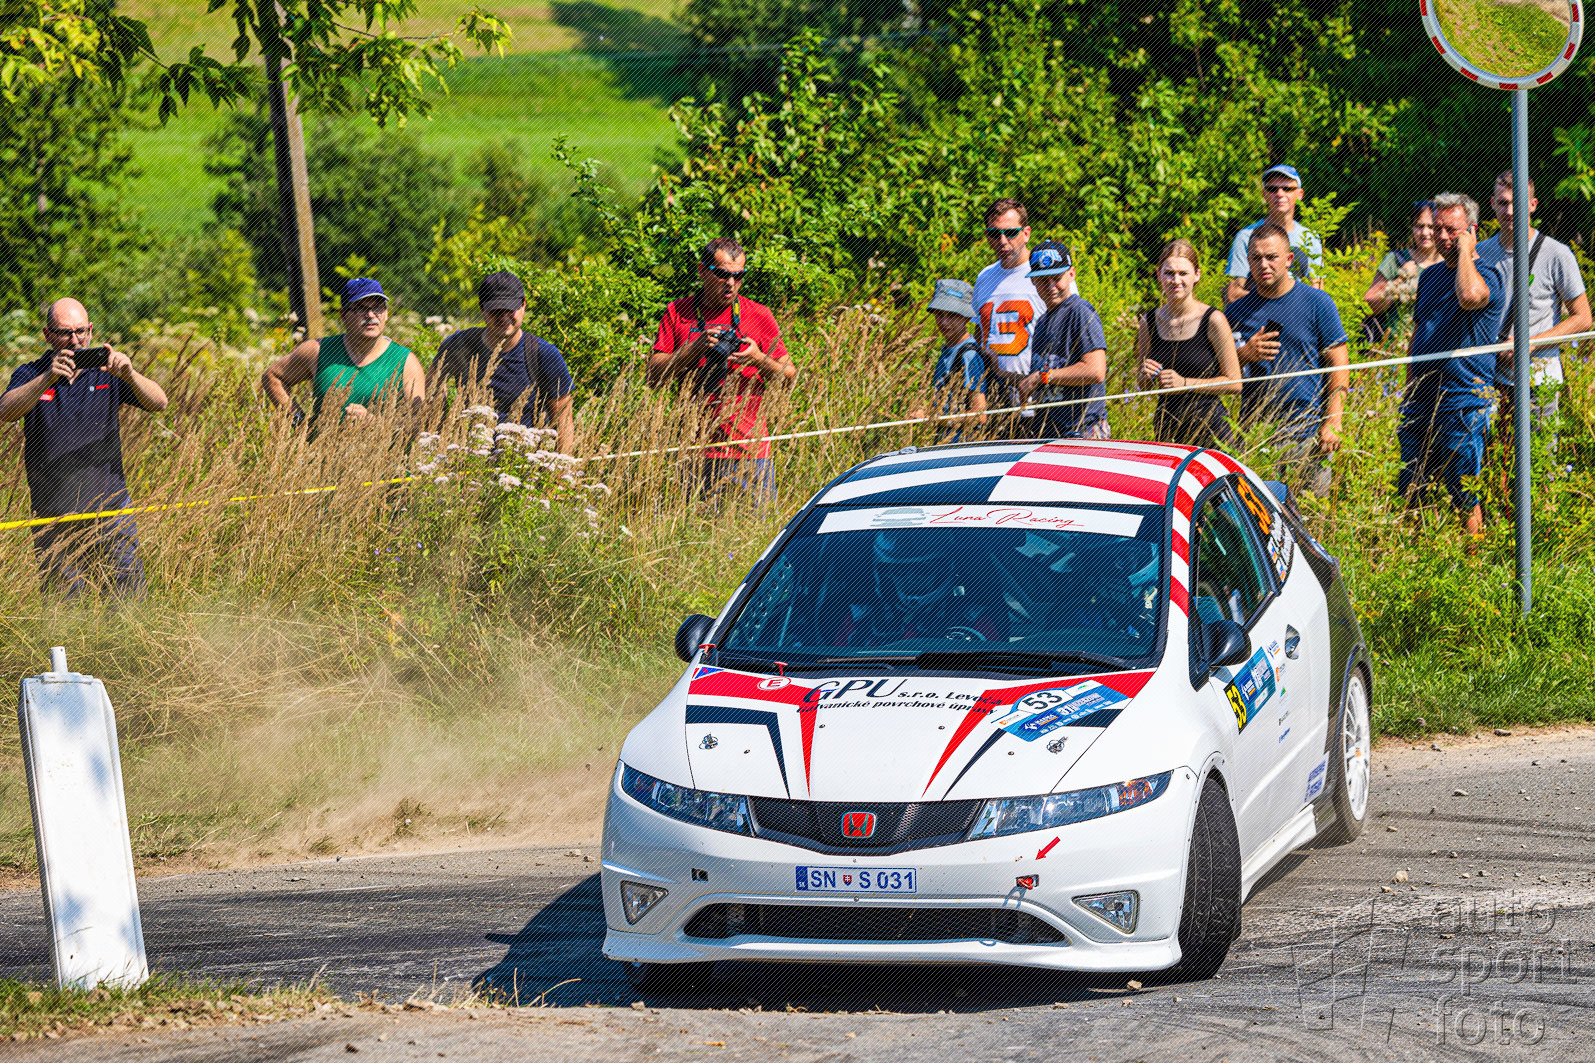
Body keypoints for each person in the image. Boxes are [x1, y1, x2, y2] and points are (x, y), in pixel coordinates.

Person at [0, 298, 169, 597]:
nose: (75, 340)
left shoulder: (107, 372)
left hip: (111, 511)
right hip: (54, 515)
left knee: (127, 602)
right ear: (48, 335)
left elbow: (160, 402)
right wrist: (47, 378)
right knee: (65, 607)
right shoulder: (32, 373)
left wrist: (130, 374)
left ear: (90, 330)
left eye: (81, 331)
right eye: (65, 333)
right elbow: (5, 411)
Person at [648, 237, 797, 499]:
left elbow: (789, 377)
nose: (731, 283)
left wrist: (758, 359)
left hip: (751, 452)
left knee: (755, 525)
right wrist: (693, 349)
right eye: (722, 274)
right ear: (702, 270)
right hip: (695, 451)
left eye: (739, 276)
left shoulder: (759, 314)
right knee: (695, 524)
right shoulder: (677, 312)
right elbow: (653, 377)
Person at [1399, 192, 1506, 539]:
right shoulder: (1429, 276)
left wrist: (1465, 252)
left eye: (1452, 230)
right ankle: (1417, 555)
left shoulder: (1488, 275)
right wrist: (1409, 389)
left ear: (1471, 230)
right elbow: (1419, 332)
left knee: (1463, 491)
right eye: (1438, 228)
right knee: (1413, 486)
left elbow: (1470, 297)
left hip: (1463, 400)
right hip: (1421, 400)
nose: (1442, 237)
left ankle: (1472, 563)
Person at [1224, 223, 1350, 495]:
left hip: (1307, 433)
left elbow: (1340, 364)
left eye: (1272, 257)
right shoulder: (1235, 312)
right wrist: (1245, 354)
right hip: (1255, 435)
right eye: (1256, 258)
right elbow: (1218, 370)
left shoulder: (1317, 302)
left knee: (1309, 512)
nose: (1264, 265)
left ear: (1289, 259)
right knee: (1258, 515)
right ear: (1248, 261)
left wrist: (1333, 421)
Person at [1476, 170, 1592, 436]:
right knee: (1493, 459)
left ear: (1532, 204)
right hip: (1488, 380)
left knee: (1539, 458)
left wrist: (1529, 344)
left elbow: (1583, 318)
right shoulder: (1480, 253)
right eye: (1502, 203)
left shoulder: (1557, 253)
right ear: (1492, 204)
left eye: (1517, 203)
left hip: (1538, 382)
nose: (1509, 211)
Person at [431, 271, 574, 453]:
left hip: (523, 464)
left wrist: (560, 469)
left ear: (523, 305)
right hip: (467, 463)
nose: (504, 317)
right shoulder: (458, 346)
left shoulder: (544, 355)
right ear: (482, 308)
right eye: (496, 311)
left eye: (510, 309)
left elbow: (563, 423)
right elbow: (431, 395)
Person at [262, 278, 425, 427]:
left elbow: (417, 423)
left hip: (379, 450)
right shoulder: (319, 351)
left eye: (378, 307)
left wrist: (375, 424)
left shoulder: (405, 362)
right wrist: (299, 423)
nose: (370, 315)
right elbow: (272, 376)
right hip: (322, 449)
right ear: (343, 315)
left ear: (386, 313)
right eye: (360, 308)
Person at [1136, 240, 1243, 449]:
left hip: (1210, 429)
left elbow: (1235, 383)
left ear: (1196, 275)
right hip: (1167, 427)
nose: (1176, 280)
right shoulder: (1148, 322)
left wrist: (1185, 383)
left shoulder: (1214, 320)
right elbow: (1143, 385)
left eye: (1183, 273)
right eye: (1169, 273)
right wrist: (1146, 375)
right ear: (1159, 275)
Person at [832, 529, 1005, 646]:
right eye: (899, 571)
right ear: (886, 574)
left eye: (922, 569)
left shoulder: (972, 618)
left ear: (943, 570)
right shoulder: (860, 618)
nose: (910, 578)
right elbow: (836, 667)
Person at [1016, 241, 1109, 440]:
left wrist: (1041, 377)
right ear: (1033, 281)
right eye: (1043, 280)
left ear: (1071, 274)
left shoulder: (1079, 311)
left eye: (1057, 278)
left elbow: (1095, 371)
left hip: (1082, 430)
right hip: (1048, 431)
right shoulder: (1042, 321)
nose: (1051, 287)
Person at [972, 198, 1048, 433]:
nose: (1003, 241)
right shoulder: (984, 278)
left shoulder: (1048, 274)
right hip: (994, 403)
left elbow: (1068, 329)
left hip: (1036, 402)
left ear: (1026, 233)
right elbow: (979, 332)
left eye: (1011, 233)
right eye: (994, 234)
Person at [1223, 164, 1325, 304]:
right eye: (1272, 189)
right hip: (1257, 314)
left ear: (1299, 195)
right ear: (1264, 194)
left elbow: (1318, 291)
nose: (1280, 194)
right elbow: (1232, 294)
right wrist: (1276, 302)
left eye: (1287, 189)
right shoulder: (1246, 236)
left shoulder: (1310, 238)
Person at [908, 278, 987, 442]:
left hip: (962, 445)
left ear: (966, 317)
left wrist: (934, 419)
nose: (944, 322)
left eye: (952, 315)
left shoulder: (968, 355)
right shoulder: (948, 349)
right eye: (939, 314)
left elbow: (980, 415)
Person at [1362, 201, 1444, 343]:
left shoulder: (1451, 264)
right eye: (1419, 226)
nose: (1425, 233)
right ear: (1412, 228)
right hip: (1394, 346)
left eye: (1431, 226)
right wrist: (1399, 280)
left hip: (1435, 345)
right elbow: (1369, 306)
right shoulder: (1396, 260)